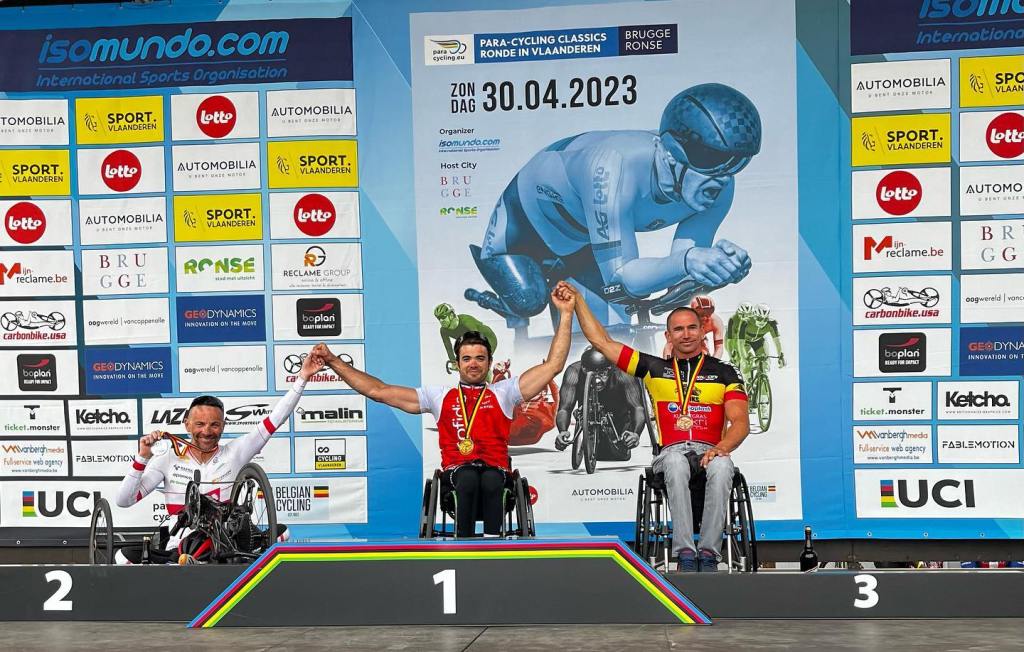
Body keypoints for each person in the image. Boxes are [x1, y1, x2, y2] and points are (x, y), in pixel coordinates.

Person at [468, 83, 759, 328]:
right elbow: (620, 278)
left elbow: (677, 276)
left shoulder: (719, 186)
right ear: (671, 153)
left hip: (583, 240)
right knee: (528, 300)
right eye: (711, 159)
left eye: (738, 162)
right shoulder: (613, 167)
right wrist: (689, 262)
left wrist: (716, 270)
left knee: (611, 334)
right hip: (524, 228)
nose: (723, 176)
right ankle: (506, 302)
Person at [315, 288, 574, 537]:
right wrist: (334, 361)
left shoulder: (505, 392)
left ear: (489, 363)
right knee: (469, 477)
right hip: (456, 475)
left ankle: (493, 544)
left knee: (491, 479)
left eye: (480, 358)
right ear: (457, 363)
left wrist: (565, 314)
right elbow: (378, 391)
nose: (473, 364)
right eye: (467, 358)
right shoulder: (438, 397)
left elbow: (553, 365)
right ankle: (465, 546)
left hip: (496, 473)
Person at [558, 280, 748, 572]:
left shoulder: (725, 372)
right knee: (675, 462)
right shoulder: (654, 368)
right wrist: (580, 302)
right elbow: (603, 343)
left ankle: (709, 553)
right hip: (670, 451)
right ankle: (685, 553)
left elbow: (741, 422)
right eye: (678, 329)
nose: (686, 334)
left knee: (723, 466)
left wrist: (721, 448)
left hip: (712, 449)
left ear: (703, 331)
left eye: (692, 328)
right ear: (668, 335)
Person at [114, 346, 324, 564]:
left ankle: (201, 563)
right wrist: (142, 458)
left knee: (282, 532)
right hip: (180, 547)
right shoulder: (168, 458)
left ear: (223, 426)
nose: (207, 431)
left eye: (214, 425)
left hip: (225, 545)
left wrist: (302, 378)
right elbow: (123, 500)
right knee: (122, 556)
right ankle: (190, 561)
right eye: (200, 424)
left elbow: (275, 419)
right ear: (187, 424)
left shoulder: (235, 452)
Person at [554, 347, 646, 463]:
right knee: (599, 454)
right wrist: (562, 431)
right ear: (583, 368)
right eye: (592, 374)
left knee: (619, 455)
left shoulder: (623, 373)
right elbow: (564, 408)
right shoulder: (574, 372)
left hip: (619, 413)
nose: (597, 380)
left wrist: (636, 433)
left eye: (602, 374)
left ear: (611, 369)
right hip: (589, 413)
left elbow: (637, 407)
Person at [434, 303, 498, 374]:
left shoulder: (466, 321)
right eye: (439, 318)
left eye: (443, 317)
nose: (441, 320)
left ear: (451, 315)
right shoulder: (443, 330)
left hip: (487, 338)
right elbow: (448, 346)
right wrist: (453, 362)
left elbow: (478, 338)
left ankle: (489, 376)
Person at [729, 302, 785, 382]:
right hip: (745, 343)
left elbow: (777, 342)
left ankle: (762, 382)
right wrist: (744, 358)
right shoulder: (745, 322)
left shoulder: (772, 323)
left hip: (759, 342)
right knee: (746, 364)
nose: (762, 322)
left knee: (765, 363)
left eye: (765, 319)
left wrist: (781, 356)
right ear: (754, 316)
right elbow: (740, 344)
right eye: (759, 318)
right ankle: (748, 381)